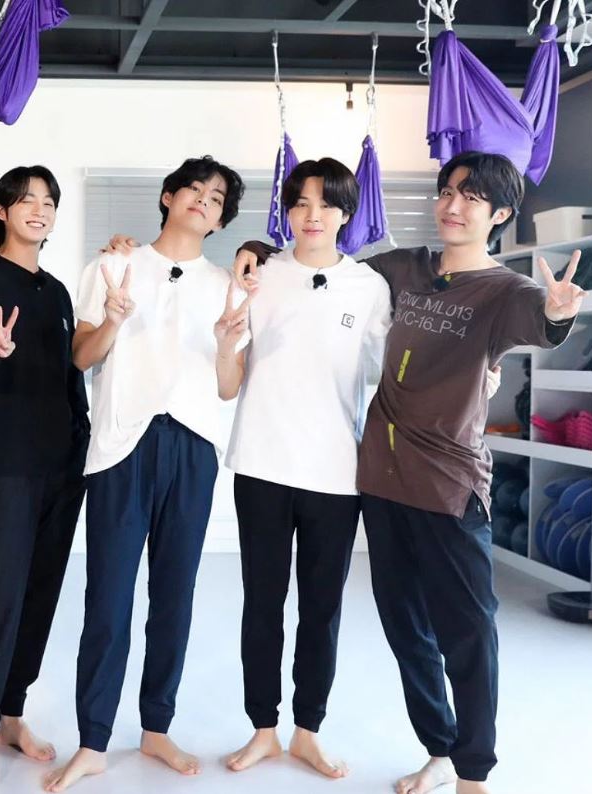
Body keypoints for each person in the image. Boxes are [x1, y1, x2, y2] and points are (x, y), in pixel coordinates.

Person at [233, 151, 583, 794]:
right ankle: (440, 750)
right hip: (381, 481)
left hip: (449, 484)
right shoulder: (404, 268)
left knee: (467, 632)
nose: (453, 206)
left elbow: (541, 320)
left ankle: (473, 772)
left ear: (500, 214)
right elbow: (320, 264)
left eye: (472, 197)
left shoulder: (505, 292)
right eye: (447, 191)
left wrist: (558, 315)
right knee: (406, 630)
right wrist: (255, 248)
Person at [44, 155, 250, 792]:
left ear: (220, 221)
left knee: (174, 595)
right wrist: (112, 318)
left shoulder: (230, 286)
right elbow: (80, 358)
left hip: (192, 448)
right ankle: (93, 740)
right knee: (107, 597)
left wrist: (225, 345)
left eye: (216, 199)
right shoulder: (113, 265)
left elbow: (228, 387)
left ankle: (157, 727)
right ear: (168, 196)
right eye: (194, 189)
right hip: (120, 446)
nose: (203, 200)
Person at [218, 158, 390, 780]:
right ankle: (263, 729)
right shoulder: (257, 275)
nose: (312, 215)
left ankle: (307, 731)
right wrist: (225, 344)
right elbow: (228, 381)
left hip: (336, 475)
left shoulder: (369, 288)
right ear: (287, 211)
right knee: (262, 604)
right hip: (261, 465)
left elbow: (394, 376)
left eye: (326, 203)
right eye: (301, 203)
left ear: (347, 213)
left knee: (322, 610)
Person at [0, 166, 90, 791]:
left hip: (62, 464)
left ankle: (10, 715)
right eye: (26, 199)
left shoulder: (56, 292)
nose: (39, 208)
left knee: (40, 593)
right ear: (1, 210)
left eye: (49, 201)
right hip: (6, 462)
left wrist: (81, 441)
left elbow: (70, 376)